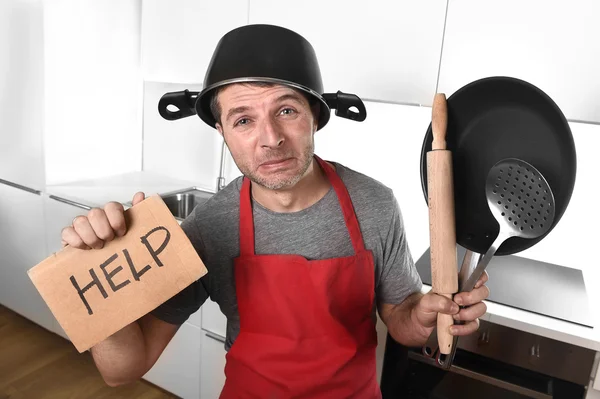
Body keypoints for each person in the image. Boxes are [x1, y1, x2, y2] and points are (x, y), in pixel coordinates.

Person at [60, 24, 489, 398]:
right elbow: (123, 372)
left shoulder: (374, 203)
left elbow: (401, 319)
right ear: (222, 131)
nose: (270, 138)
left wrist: (423, 316)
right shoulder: (210, 228)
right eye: (243, 120)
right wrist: (104, 293)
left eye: (286, 110)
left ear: (315, 117)